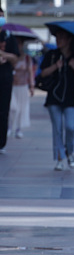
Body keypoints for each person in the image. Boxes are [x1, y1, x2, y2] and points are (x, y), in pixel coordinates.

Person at [37, 29, 74, 170]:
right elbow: (42, 73)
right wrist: (55, 66)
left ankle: (70, 152)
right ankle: (59, 157)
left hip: (71, 98)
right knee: (57, 128)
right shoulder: (52, 55)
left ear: (69, 40)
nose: (59, 40)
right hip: (54, 97)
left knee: (70, 127)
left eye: (62, 37)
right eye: (57, 37)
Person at [0, 8, 19, 153]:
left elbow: (15, 59)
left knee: (3, 110)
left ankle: (1, 142)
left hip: (5, 80)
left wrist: (4, 54)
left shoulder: (9, 37)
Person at [8, 45, 35, 140]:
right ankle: (10, 126)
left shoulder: (27, 58)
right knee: (13, 107)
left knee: (22, 109)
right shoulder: (11, 57)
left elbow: (30, 72)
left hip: (23, 86)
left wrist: (32, 86)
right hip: (12, 86)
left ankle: (18, 129)